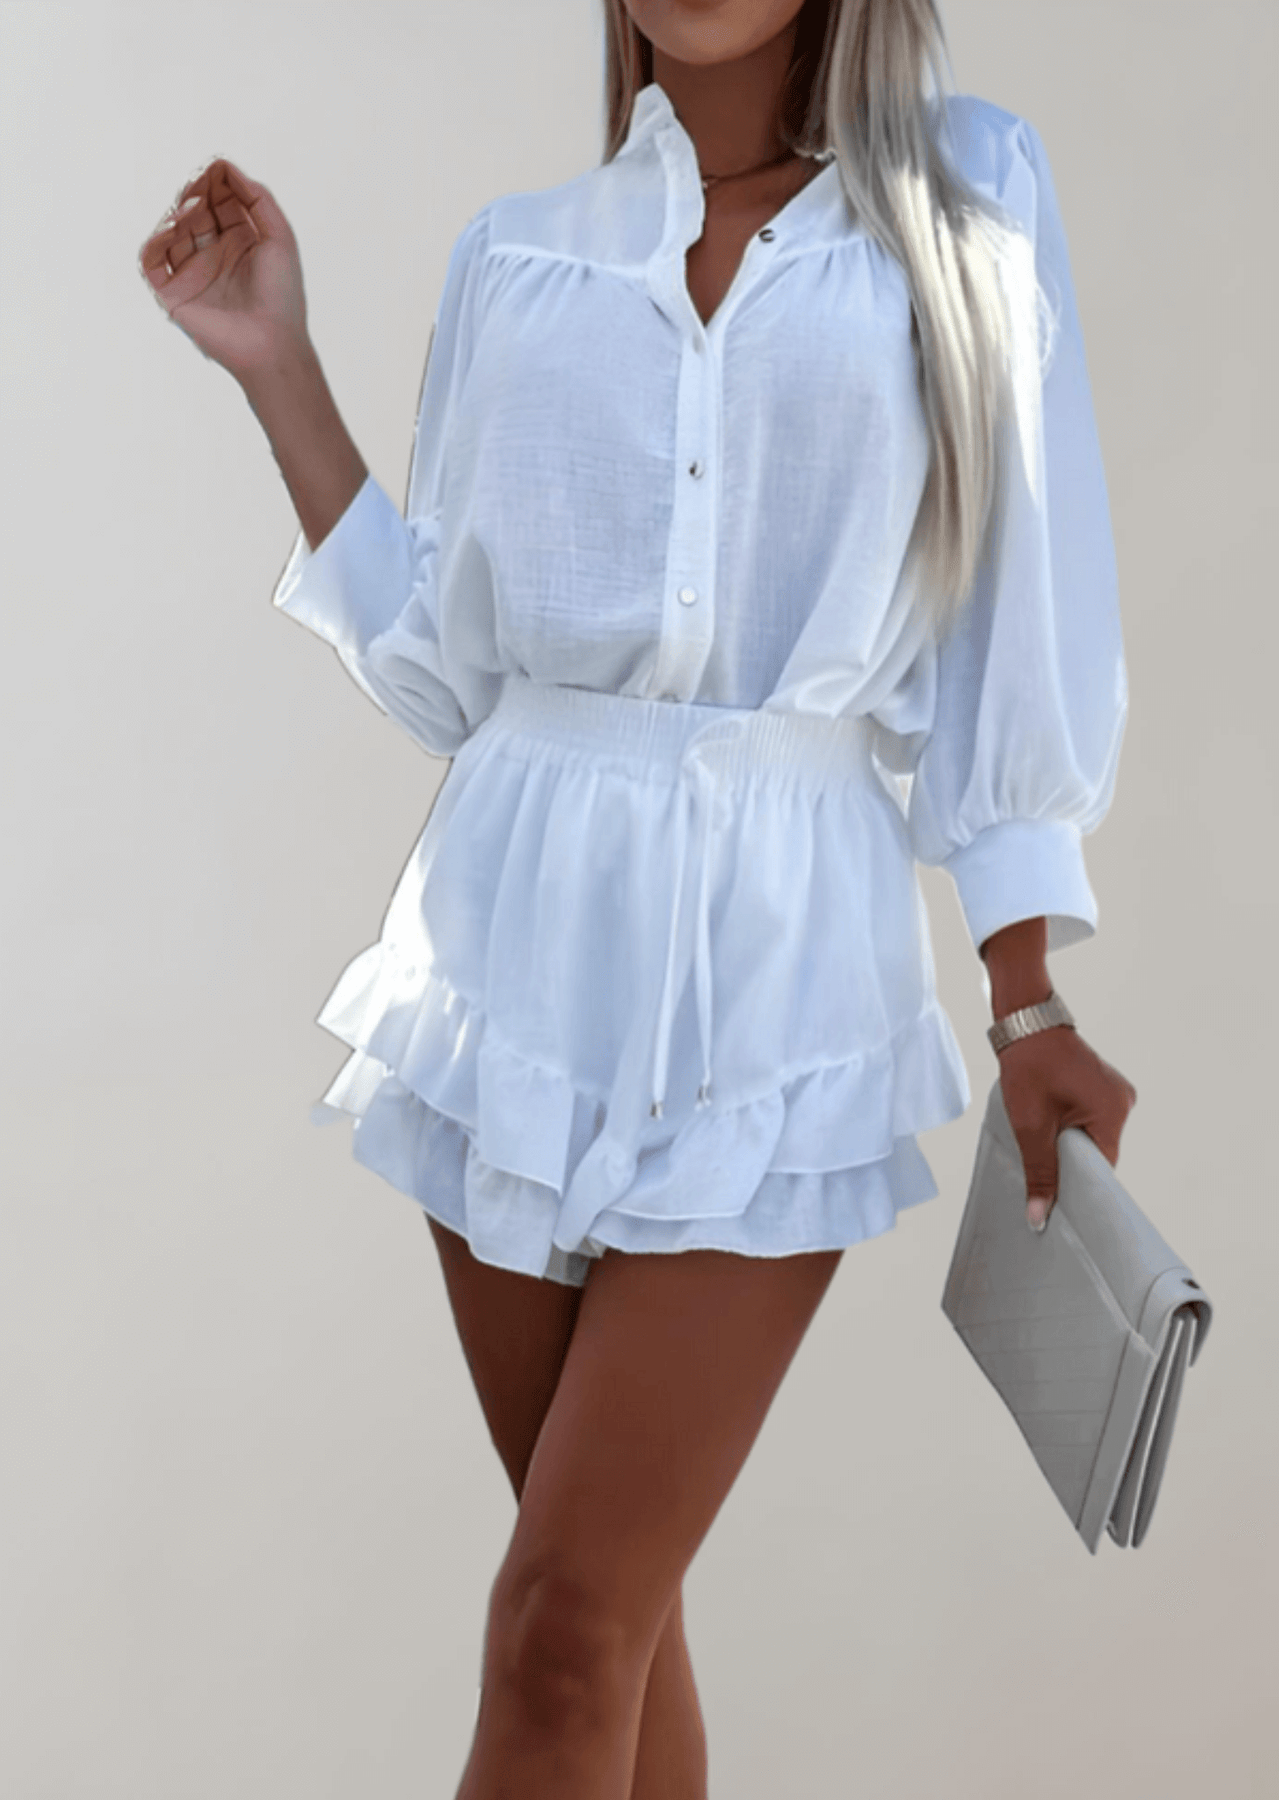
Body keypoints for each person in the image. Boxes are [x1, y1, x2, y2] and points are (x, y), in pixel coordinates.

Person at [138, 1, 1138, 1793]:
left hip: (782, 980)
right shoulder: (523, 257)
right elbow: (451, 680)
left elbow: (1015, 616)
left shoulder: (964, 201)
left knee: (566, 1626)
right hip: (508, 960)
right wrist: (274, 365)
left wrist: (1027, 993)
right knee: (597, 1630)